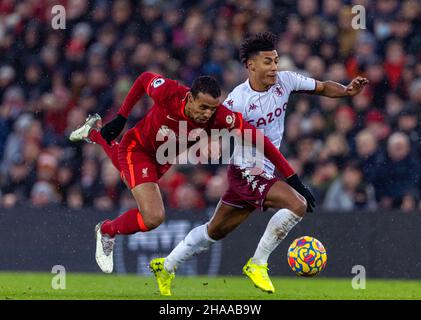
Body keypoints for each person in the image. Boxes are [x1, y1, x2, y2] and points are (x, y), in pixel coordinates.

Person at [152, 32, 369, 296]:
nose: (275, 67)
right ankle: (257, 263)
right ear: (251, 65)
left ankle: (167, 265)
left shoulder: (286, 81)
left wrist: (346, 91)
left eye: (276, 61)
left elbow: (322, 87)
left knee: (214, 231)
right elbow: (206, 128)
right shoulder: (236, 101)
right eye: (268, 62)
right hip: (246, 170)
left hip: (262, 171)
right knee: (297, 204)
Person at [69, 72, 301, 275]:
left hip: (162, 160)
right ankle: (107, 230)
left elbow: (259, 140)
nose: (207, 114)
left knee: (125, 174)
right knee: (153, 217)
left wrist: (290, 176)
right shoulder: (170, 92)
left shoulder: (220, 117)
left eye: (212, 108)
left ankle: (95, 133)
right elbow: (143, 80)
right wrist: (121, 117)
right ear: (190, 97)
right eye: (203, 107)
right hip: (137, 149)